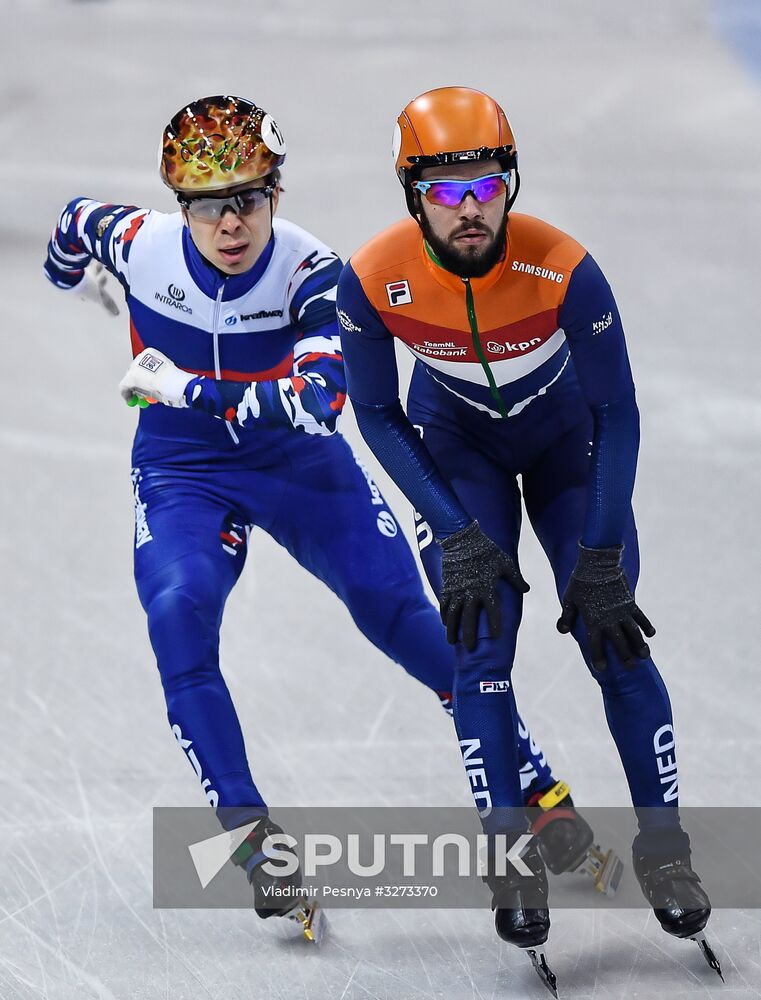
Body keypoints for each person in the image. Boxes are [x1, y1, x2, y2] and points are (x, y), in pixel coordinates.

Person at [43, 95, 613, 938]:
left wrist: (182, 388)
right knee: (177, 616)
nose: (230, 222)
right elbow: (70, 226)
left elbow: (317, 403)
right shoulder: (136, 243)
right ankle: (252, 843)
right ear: (180, 206)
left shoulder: (313, 272)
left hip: (298, 465)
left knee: (407, 621)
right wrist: (76, 278)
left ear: (278, 190)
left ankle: (534, 796)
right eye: (208, 203)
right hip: (184, 471)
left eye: (249, 198)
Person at [336, 86, 721, 985]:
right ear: (411, 196)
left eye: (485, 186)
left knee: (612, 637)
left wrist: (595, 557)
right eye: (444, 191)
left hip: (565, 451)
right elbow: (379, 414)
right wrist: (453, 532)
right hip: (457, 450)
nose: (469, 210)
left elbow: (617, 414)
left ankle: (664, 851)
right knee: (479, 647)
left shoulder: (565, 268)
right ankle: (510, 855)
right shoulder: (372, 279)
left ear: (510, 183)